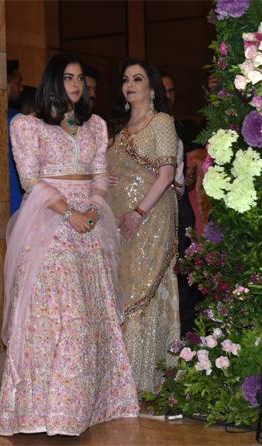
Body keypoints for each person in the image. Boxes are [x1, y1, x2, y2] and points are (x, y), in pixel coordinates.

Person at [0, 52, 139, 437]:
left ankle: (87, 406)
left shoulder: (95, 126)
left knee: (93, 316)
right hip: (48, 226)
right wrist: (67, 212)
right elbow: (30, 179)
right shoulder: (28, 127)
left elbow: (100, 175)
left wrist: (91, 209)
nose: (75, 84)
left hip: (89, 224)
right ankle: (46, 411)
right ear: (54, 82)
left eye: (80, 78)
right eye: (68, 78)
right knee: (59, 319)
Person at [106, 59, 180, 393]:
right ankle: (122, 380)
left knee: (144, 291)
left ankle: (145, 379)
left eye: (138, 79)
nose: (130, 84)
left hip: (150, 217)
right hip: (121, 222)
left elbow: (166, 175)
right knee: (122, 292)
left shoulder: (161, 121)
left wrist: (139, 211)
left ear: (151, 88)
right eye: (125, 79)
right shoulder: (119, 131)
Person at [160, 71, 201, 337]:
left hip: (180, 210)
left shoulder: (179, 126)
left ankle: (186, 340)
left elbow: (178, 176)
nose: (168, 96)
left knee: (184, 279)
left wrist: (184, 180)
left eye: (172, 90)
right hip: (155, 214)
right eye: (164, 90)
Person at [7, 60, 24, 215]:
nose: (21, 87)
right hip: (14, 201)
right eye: (17, 82)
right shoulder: (16, 120)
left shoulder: (15, 117)